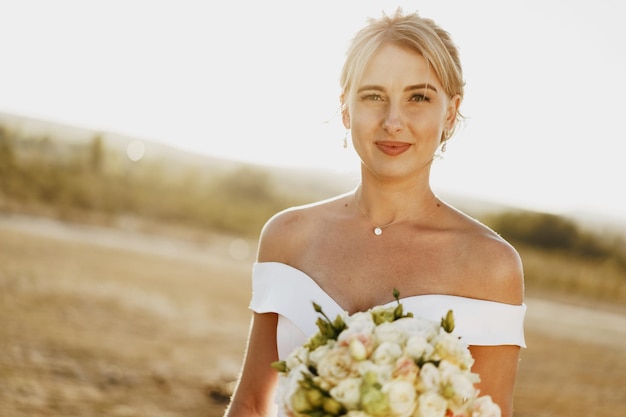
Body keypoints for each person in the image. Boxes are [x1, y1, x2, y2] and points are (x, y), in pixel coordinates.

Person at [224, 8, 526, 417]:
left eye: (418, 97)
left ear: (451, 113)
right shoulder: (287, 236)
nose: (393, 121)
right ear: (346, 108)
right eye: (373, 96)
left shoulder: (490, 267)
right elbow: (250, 404)